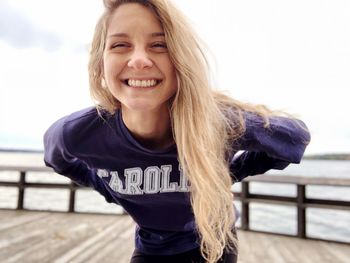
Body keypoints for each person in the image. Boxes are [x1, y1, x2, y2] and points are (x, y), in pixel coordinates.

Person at [43, 0, 311, 262]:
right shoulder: (77, 133)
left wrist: (228, 173)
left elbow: (294, 137)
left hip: (215, 240)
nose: (138, 60)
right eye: (120, 44)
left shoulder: (216, 123)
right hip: (152, 245)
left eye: (159, 45)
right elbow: (58, 159)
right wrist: (106, 188)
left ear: (182, 60)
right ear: (100, 62)